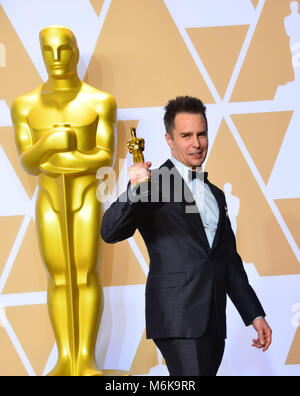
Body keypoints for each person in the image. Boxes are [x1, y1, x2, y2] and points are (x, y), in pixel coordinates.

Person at [101, 96, 272, 376]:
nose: (196, 143)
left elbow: (227, 260)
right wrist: (135, 190)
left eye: (201, 134)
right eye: (186, 135)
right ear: (169, 139)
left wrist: (254, 314)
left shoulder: (215, 193)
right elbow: (110, 231)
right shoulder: (153, 183)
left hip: (214, 319)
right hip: (177, 315)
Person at [11, 26, 116, 376]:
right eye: (48, 51)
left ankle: (84, 359)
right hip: (50, 199)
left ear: (75, 51)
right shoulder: (24, 105)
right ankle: (64, 359)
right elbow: (28, 161)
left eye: (64, 50)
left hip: (85, 196)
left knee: (85, 274)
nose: (56, 59)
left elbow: (104, 156)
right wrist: (53, 142)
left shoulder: (99, 101)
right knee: (58, 277)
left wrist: (54, 160)